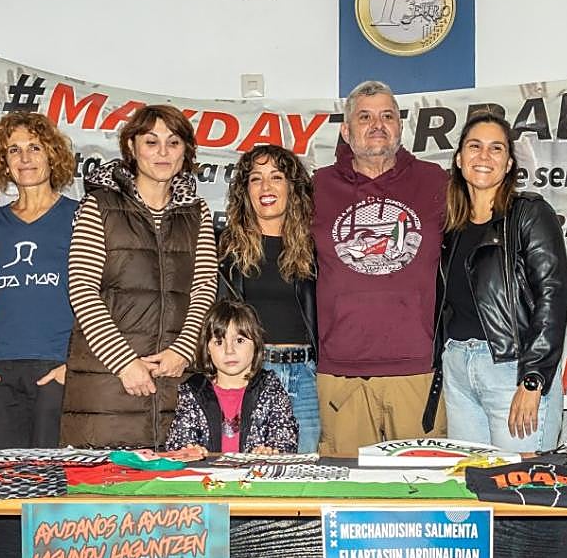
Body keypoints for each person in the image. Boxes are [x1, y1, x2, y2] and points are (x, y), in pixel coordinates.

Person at [60, 104, 217, 448]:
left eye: (173, 143)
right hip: (109, 382)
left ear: (186, 152)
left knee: (180, 492)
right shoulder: (98, 205)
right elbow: (82, 290)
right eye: (151, 142)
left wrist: (184, 350)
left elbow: (204, 288)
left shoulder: (198, 212)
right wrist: (124, 363)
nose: (163, 152)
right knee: (107, 493)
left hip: (178, 378)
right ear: (132, 147)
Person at [312, 79, 447, 456]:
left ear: (400, 125)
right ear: (346, 129)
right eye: (365, 116)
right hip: (341, 372)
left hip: (417, 370)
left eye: (387, 116)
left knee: (424, 493)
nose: (377, 125)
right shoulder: (316, 187)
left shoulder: (436, 182)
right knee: (346, 498)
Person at [428, 113, 567, 451]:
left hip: (511, 368)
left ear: (508, 164)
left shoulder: (529, 213)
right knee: (471, 483)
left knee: (520, 487)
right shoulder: (450, 226)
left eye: (496, 148)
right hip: (458, 367)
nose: (484, 156)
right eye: (475, 147)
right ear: (459, 160)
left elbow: (553, 296)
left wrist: (533, 379)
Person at [0, 112, 78, 452]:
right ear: (4, 161)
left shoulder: (81, 216)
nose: (25, 158)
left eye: (35, 148)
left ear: (51, 155)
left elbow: (95, 299)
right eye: (14, 150)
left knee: (50, 486)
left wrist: (73, 367)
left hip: (54, 368)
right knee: (1, 486)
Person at [219, 144, 319, 452]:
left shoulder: (316, 248)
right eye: (255, 178)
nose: (266, 186)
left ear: (292, 187)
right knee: (248, 478)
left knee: (306, 475)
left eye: (276, 177)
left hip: (306, 377)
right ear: (244, 190)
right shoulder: (223, 249)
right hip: (251, 374)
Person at [166, 300, 299, 454]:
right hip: (209, 476)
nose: (229, 350)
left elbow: (286, 442)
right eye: (219, 342)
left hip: (255, 475)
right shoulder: (193, 390)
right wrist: (188, 450)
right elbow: (178, 442)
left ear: (256, 344)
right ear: (207, 348)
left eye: (240, 340)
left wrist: (272, 452)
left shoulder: (270, 388)